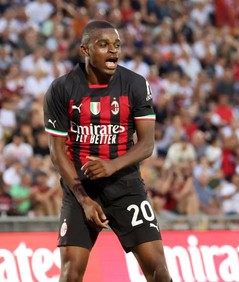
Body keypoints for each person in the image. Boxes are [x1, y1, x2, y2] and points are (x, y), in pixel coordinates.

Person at [43, 20, 172, 281]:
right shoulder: (61, 89)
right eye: (103, 45)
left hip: (125, 186)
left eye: (116, 45)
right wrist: (84, 200)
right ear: (85, 50)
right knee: (70, 275)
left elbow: (147, 144)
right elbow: (57, 153)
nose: (113, 51)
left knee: (159, 272)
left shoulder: (135, 84)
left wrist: (112, 165)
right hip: (81, 187)